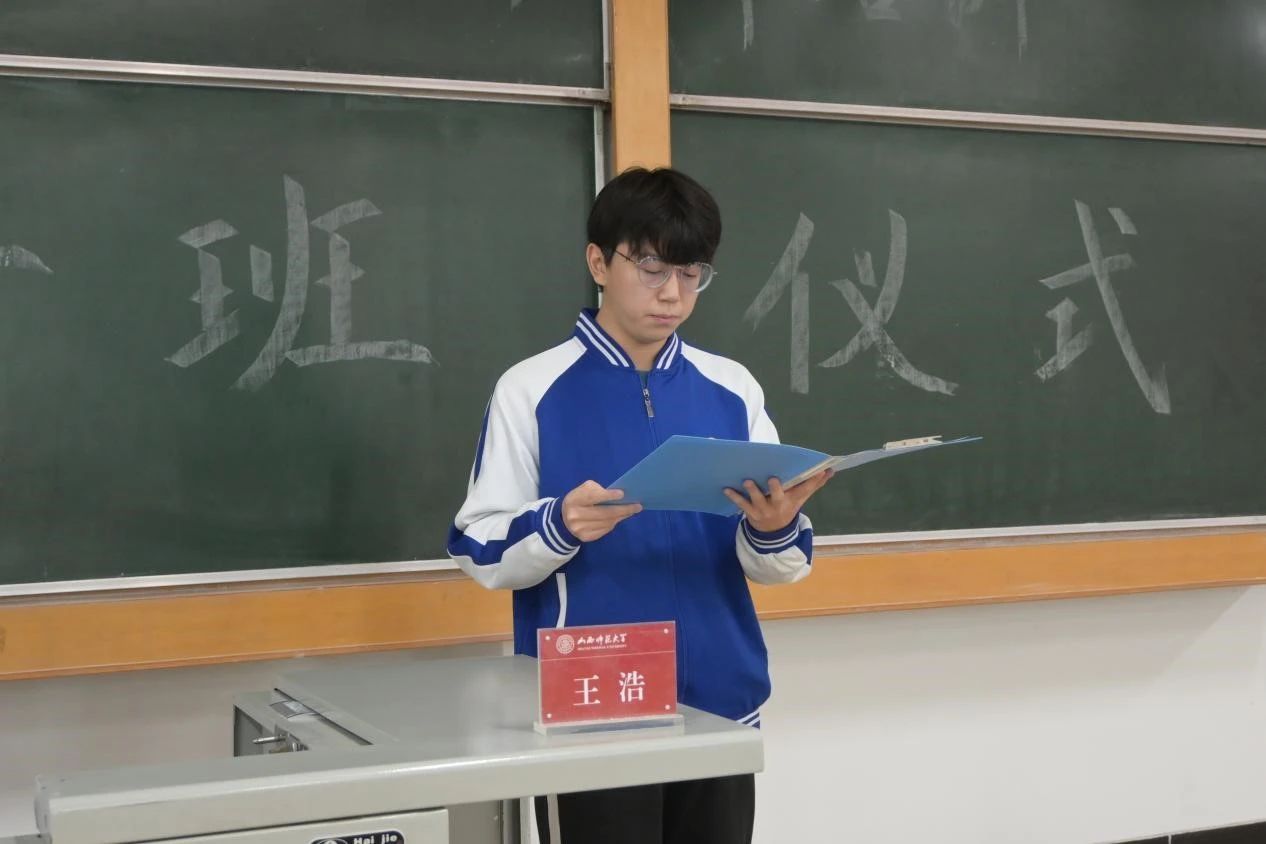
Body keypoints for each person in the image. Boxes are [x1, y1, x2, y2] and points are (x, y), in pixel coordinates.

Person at [447, 166, 833, 844]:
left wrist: (774, 529)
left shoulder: (732, 388)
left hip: (720, 703)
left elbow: (782, 563)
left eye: (691, 273)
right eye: (651, 268)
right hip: (591, 708)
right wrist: (559, 523)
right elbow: (477, 547)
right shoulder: (531, 389)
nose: (673, 293)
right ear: (599, 262)